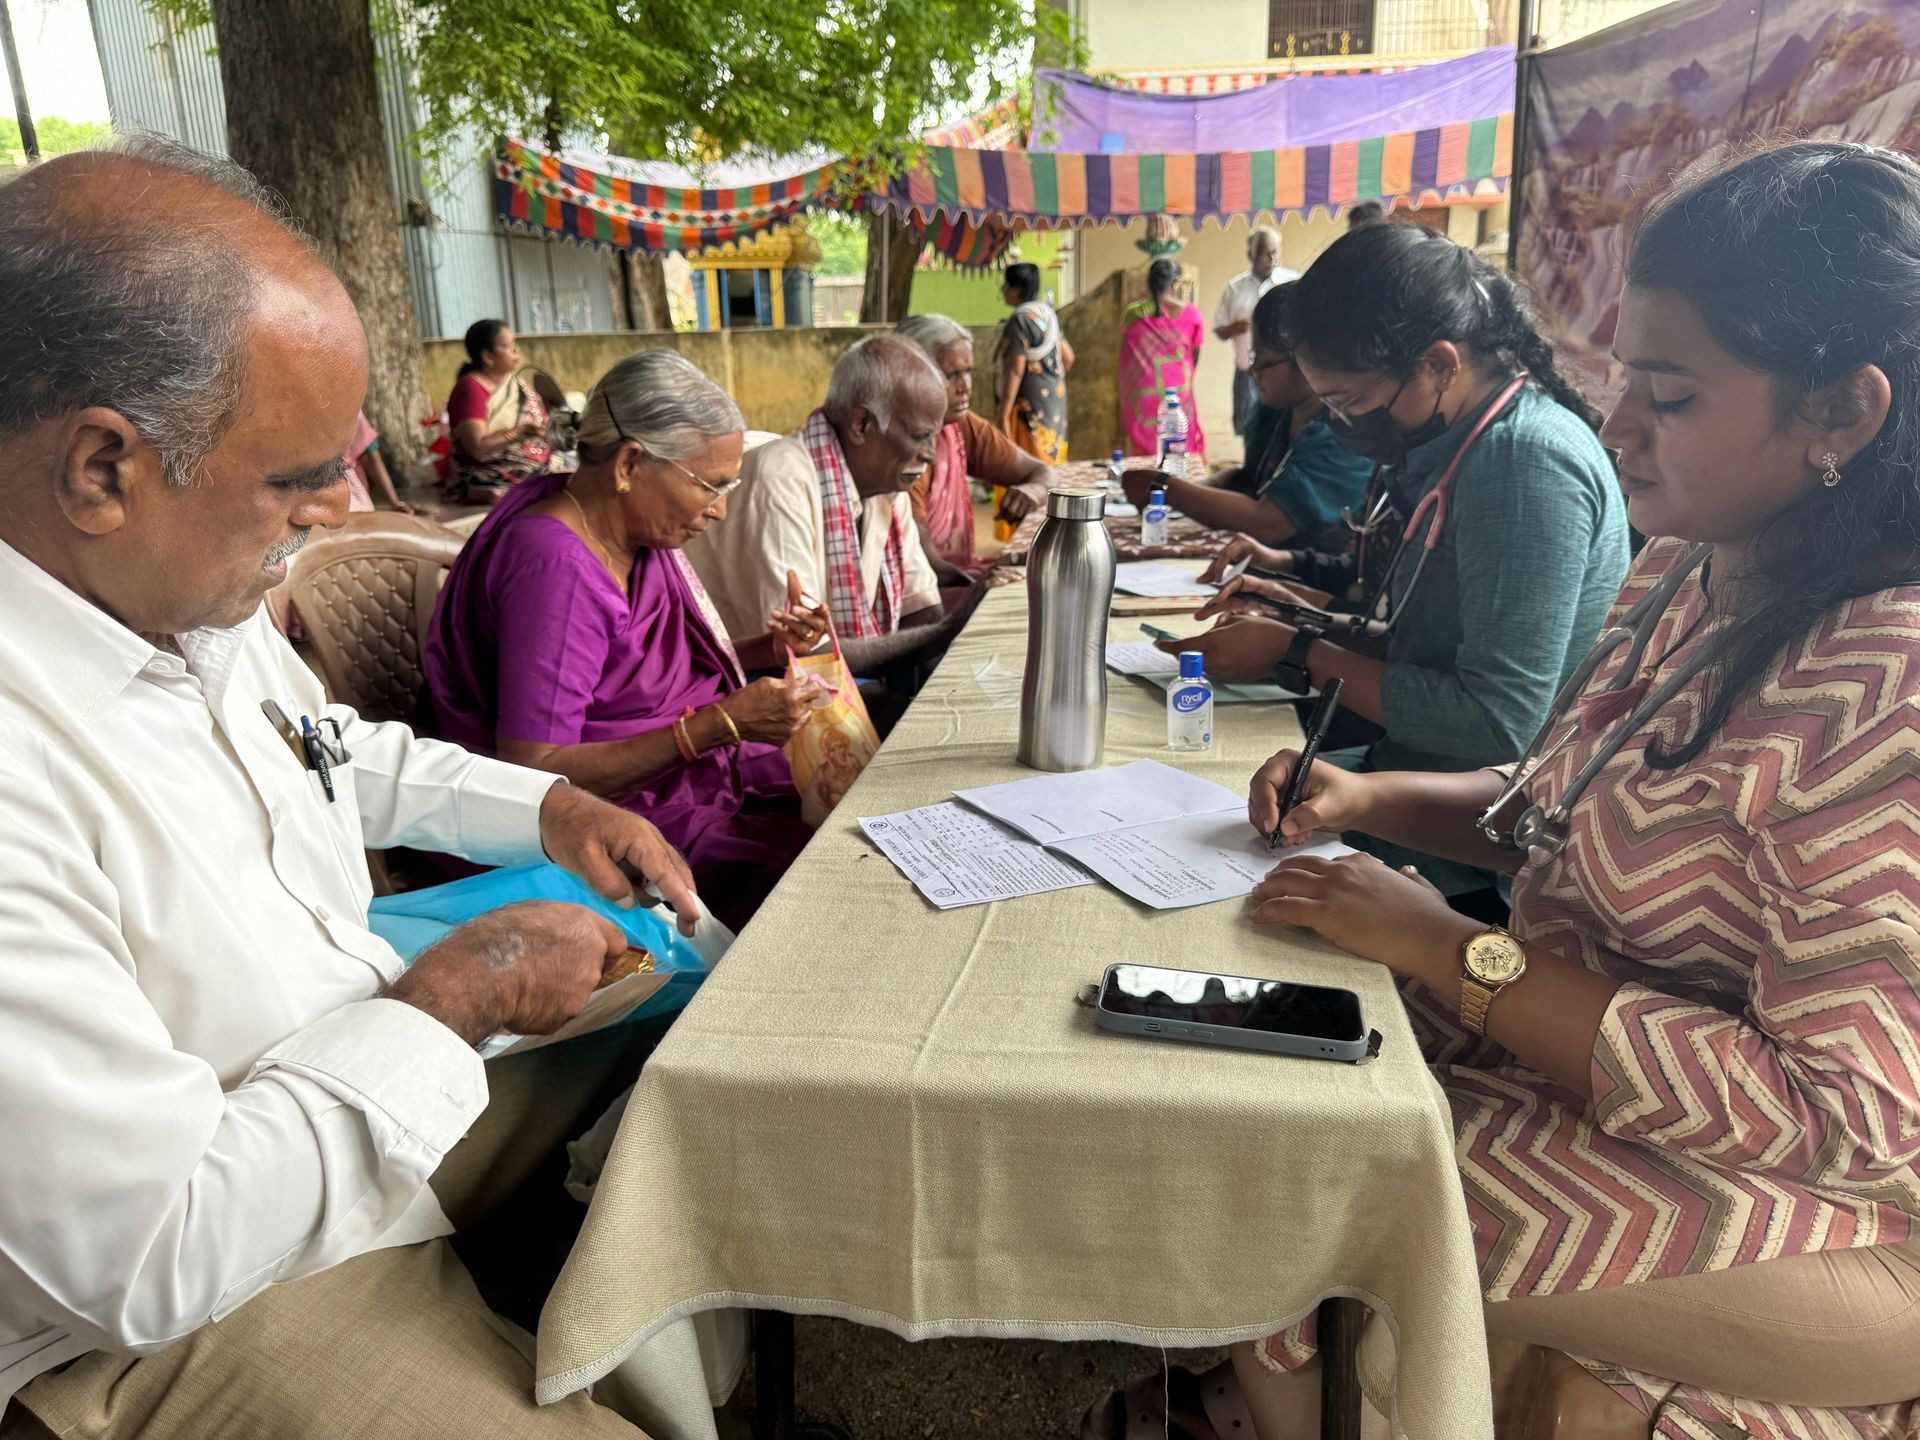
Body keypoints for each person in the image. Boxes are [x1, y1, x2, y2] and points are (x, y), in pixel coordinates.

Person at [1094, 140, 1920, 1440]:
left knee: (1313, 1169)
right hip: (1582, 1062)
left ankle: (1274, 1395)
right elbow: (1553, 815)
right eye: (1623, 381)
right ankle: (1265, 1385)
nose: (1620, 429)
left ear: (1842, 414)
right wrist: (1367, 810)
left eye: (1673, 397)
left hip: (1825, 1197)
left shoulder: (1888, 680)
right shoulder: (1692, 572)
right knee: (1231, 1046)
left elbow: (1833, 1113)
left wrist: (1445, 948)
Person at [0, 138, 702, 1439]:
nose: (338, 508)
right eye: (295, 475)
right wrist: (456, 994)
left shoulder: (178, 598)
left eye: (347, 458)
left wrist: (548, 810)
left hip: (342, 1050)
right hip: (164, 1305)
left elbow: (329, 746)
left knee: (687, 1024)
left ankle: (614, 1311)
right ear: (104, 468)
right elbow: (151, 1252)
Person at [1165, 222, 1629, 898]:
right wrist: (1295, 625)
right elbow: (1423, 638)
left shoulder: (1522, 461)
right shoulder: (1461, 444)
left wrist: (1299, 652)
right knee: (1199, 805)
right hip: (1411, 776)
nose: (1340, 422)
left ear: (1440, 365)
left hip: (1472, 847)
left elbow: (1497, 721)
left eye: (1349, 401)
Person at [422, 351, 829, 934]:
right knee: (807, 873)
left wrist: (768, 649)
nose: (720, 510)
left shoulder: (628, 537)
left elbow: (643, 684)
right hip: (612, 819)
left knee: (851, 790)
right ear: (630, 463)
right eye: (709, 486)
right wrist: (720, 726)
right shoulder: (556, 566)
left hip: (682, 776)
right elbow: (535, 774)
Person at [687, 334, 982, 682]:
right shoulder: (781, 478)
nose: (931, 453)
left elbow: (920, 609)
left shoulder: (888, 485)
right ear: (861, 425)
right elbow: (801, 651)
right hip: (746, 686)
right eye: (919, 436)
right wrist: (950, 628)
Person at [1122, 283, 1371, 551]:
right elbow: (1248, 478)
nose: (1254, 372)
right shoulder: (1276, 411)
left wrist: (1166, 487)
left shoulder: (1343, 435)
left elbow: (1267, 523)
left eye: (1264, 362)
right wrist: (1193, 491)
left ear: (1305, 361)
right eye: (1252, 358)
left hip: (1307, 578)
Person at [894, 312, 1053, 578]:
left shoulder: (959, 426)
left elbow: (1044, 473)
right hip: (922, 595)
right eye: (950, 375)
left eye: (967, 372)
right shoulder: (897, 449)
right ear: (909, 375)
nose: (965, 387)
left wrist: (1034, 490)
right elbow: (926, 565)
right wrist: (987, 576)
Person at [445, 318, 549, 500]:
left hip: (529, 469)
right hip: (485, 475)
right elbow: (477, 447)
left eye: (514, 344)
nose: (516, 350)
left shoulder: (516, 385)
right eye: (508, 346)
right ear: (488, 356)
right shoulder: (471, 388)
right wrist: (523, 430)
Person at [1120, 257, 1207, 464]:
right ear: (1176, 284)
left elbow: (1126, 354)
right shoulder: (1191, 314)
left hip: (1142, 393)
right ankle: (1181, 483)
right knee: (1179, 441)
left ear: (1147, 283)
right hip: (1178, 393)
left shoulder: (1132, 314)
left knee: (1145, 450)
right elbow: (1194, 358)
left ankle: (1144, 482)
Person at [1212, 224, 1296, 437]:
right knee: (1248, 431)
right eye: (1264, 253)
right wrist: (1234, 327)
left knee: (1282, 430)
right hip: (1247, 373)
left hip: (1286, 373)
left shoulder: (1293, 283)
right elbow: (1219, 329)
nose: (1270, 258)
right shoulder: (1235, 288)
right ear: (1251, 254)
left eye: (1274, 252)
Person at [993, 261, 1073, 466]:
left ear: (1016, 290)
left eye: (1006, 285)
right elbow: (1068, 357)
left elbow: (1016, 370)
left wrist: (1003, 412)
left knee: (1029, 463)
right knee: (1051, 455)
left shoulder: (1019, 320)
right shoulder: (1048, 316)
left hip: (1029, 402)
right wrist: (1048, 382)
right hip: (1055, 398)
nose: (1003, 289)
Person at [342, 410, 414, 513]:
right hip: (350, 496)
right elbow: (371, 455)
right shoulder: (350, 407)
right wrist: (395, 503)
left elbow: (371, 455)